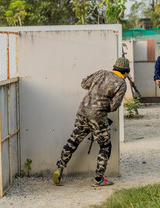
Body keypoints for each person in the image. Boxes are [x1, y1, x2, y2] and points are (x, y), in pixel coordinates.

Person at [53, 57, 130, 187]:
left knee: (73, 141)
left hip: (83, 111)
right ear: (126, 72)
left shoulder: (101, 73)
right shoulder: (122, 83)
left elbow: (84, 84)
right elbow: (114, 107)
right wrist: (103, 105)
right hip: (98, 116)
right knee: (105, 146)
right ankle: (99, 179)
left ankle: (59, 168)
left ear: (114, 68)